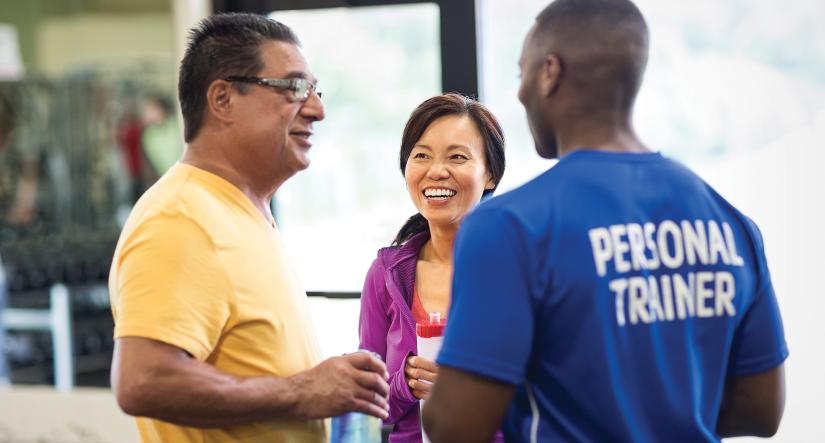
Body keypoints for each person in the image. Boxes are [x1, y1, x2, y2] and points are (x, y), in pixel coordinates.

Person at [423, 1, 788, 442]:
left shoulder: (510, 227)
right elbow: (762, 411)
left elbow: (456, 427)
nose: (519, 94)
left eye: (522, 74)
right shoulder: (732, 225)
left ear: (549, 72)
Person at [108, 13, 389, 443]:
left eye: (315, 90)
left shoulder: (239, 209)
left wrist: (324, 381)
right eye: (295, 88)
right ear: (222, 100)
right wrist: (303, 390)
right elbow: (144, 380)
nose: (317, 109)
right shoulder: (182, 217)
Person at [359, 93, 506, 443]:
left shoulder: (519, 270)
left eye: (457, 157)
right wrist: (404, 383)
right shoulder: (386, 274)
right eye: (421, 155)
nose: (436, 171)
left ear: (490, 175)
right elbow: (368, 405)